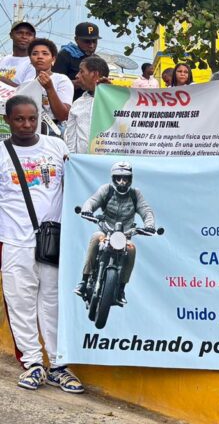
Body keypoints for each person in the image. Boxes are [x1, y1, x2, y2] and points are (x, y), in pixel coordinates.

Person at [0, 96, 81, 392]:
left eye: (31, 118)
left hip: (52, 242)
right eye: (19, 119)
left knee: (53, 302)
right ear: (8, 120)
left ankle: (59, 364)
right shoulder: (2, 154)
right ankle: (33, 363)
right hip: (14, 242)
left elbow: (77, 181)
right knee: (20, 302)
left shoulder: (56, 146)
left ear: (38, 118)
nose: (26, 124)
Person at [75, 161, 156, 307]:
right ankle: (84, 280)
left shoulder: (135, 194)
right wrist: (87, 210)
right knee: (95, 238)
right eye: (118, 178)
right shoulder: (106, 190)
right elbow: (93, 201)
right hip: (105, 232)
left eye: (125, 178)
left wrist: (149, 226)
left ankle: (120, 290)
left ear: (130, 179)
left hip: (124, 236)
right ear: (113, 178)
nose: (122, 182)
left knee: (131, 249)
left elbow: (146, 211)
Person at [16, 38, 73, 132]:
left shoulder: (62, 80)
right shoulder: (26, 84)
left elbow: (63, 116)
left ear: (53, 59)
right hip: (28, 131)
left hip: (53, 131)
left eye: (45, 53)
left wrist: (50, 88)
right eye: (35, 53)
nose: (39, 57)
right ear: (30, 59)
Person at [63, 56, 110, 154]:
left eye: (81, 71)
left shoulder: (118, 101)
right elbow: (71, 137)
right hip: (83, 164)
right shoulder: (77, 104)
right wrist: (71, 159)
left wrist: (109, 92)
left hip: (111, 163)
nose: (77, 75)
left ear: (94, 74)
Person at [55, 21, 101, 98]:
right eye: (87, 41)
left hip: (90, 104)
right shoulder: (65, 55)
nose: (91, 45)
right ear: (76, 39)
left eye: (94, 41)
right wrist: (81, 82)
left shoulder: (97, 59)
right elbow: (56, 85)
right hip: (68, 104)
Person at [0, 21, 37, 86]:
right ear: (11, 35)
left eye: (29, 34)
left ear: (34, 39)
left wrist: (2, 79)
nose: (24, 37)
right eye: (20, 33)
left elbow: (26, 91)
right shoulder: (2, 60)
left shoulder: (34, 64)